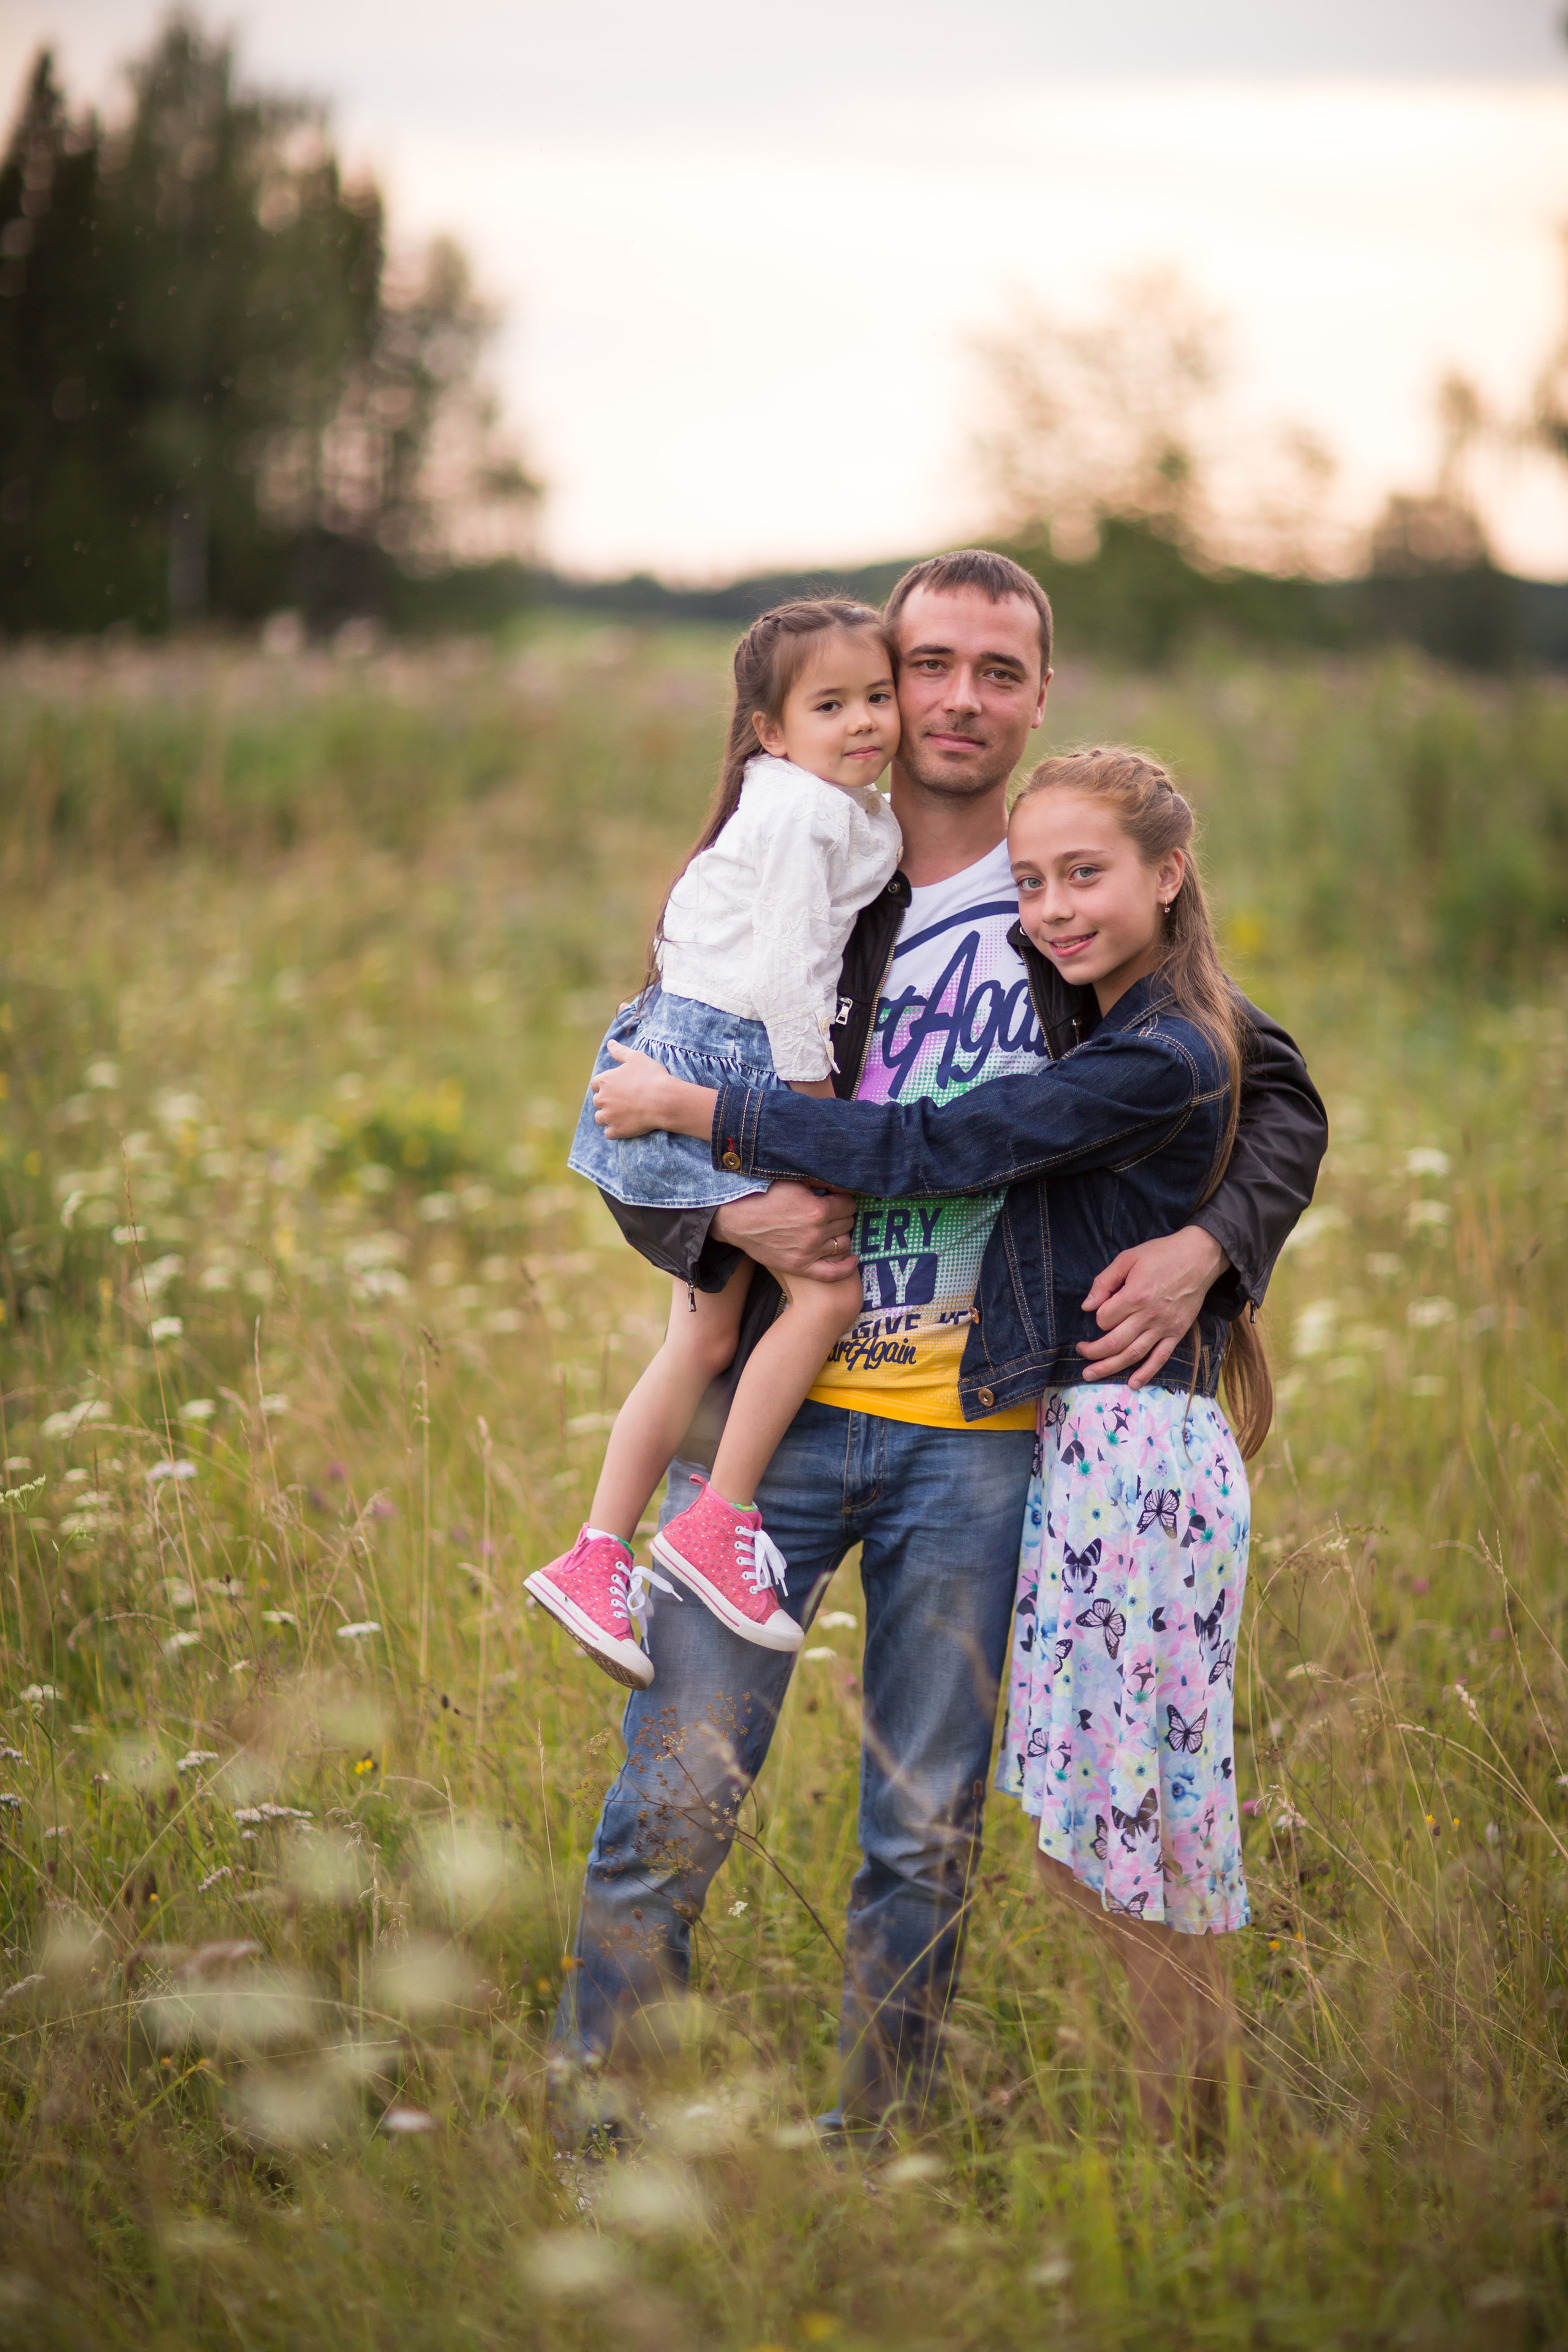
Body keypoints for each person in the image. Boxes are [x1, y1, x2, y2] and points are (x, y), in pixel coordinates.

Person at [551, 550, 1325, 2133]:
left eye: (1001, 670)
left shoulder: (1064, 902)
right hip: (771, 1423)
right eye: (930, 666)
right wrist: (724, 1226)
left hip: (977, 1432)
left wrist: (1208, 1246)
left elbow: (1272, 1090)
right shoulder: (798, 864)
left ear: (1041, 697)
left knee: (920, 1833)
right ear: (877, 690)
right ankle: (601, 2133)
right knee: (674, 1798)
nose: (960, 697)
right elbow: (632, 1097)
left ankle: (877, 2147)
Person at [526, 599, 902, 1684]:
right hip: (734, 1060)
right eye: (830, 705)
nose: (866, 722)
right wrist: (812, 1109)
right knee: (828, 1290)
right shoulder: (801, 816)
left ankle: (598, 1554)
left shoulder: (812, 803)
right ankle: (715, 1521)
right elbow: (789, 973)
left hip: (689, 1043)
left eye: (877, 697)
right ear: (770, 731)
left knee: (700, 1342)